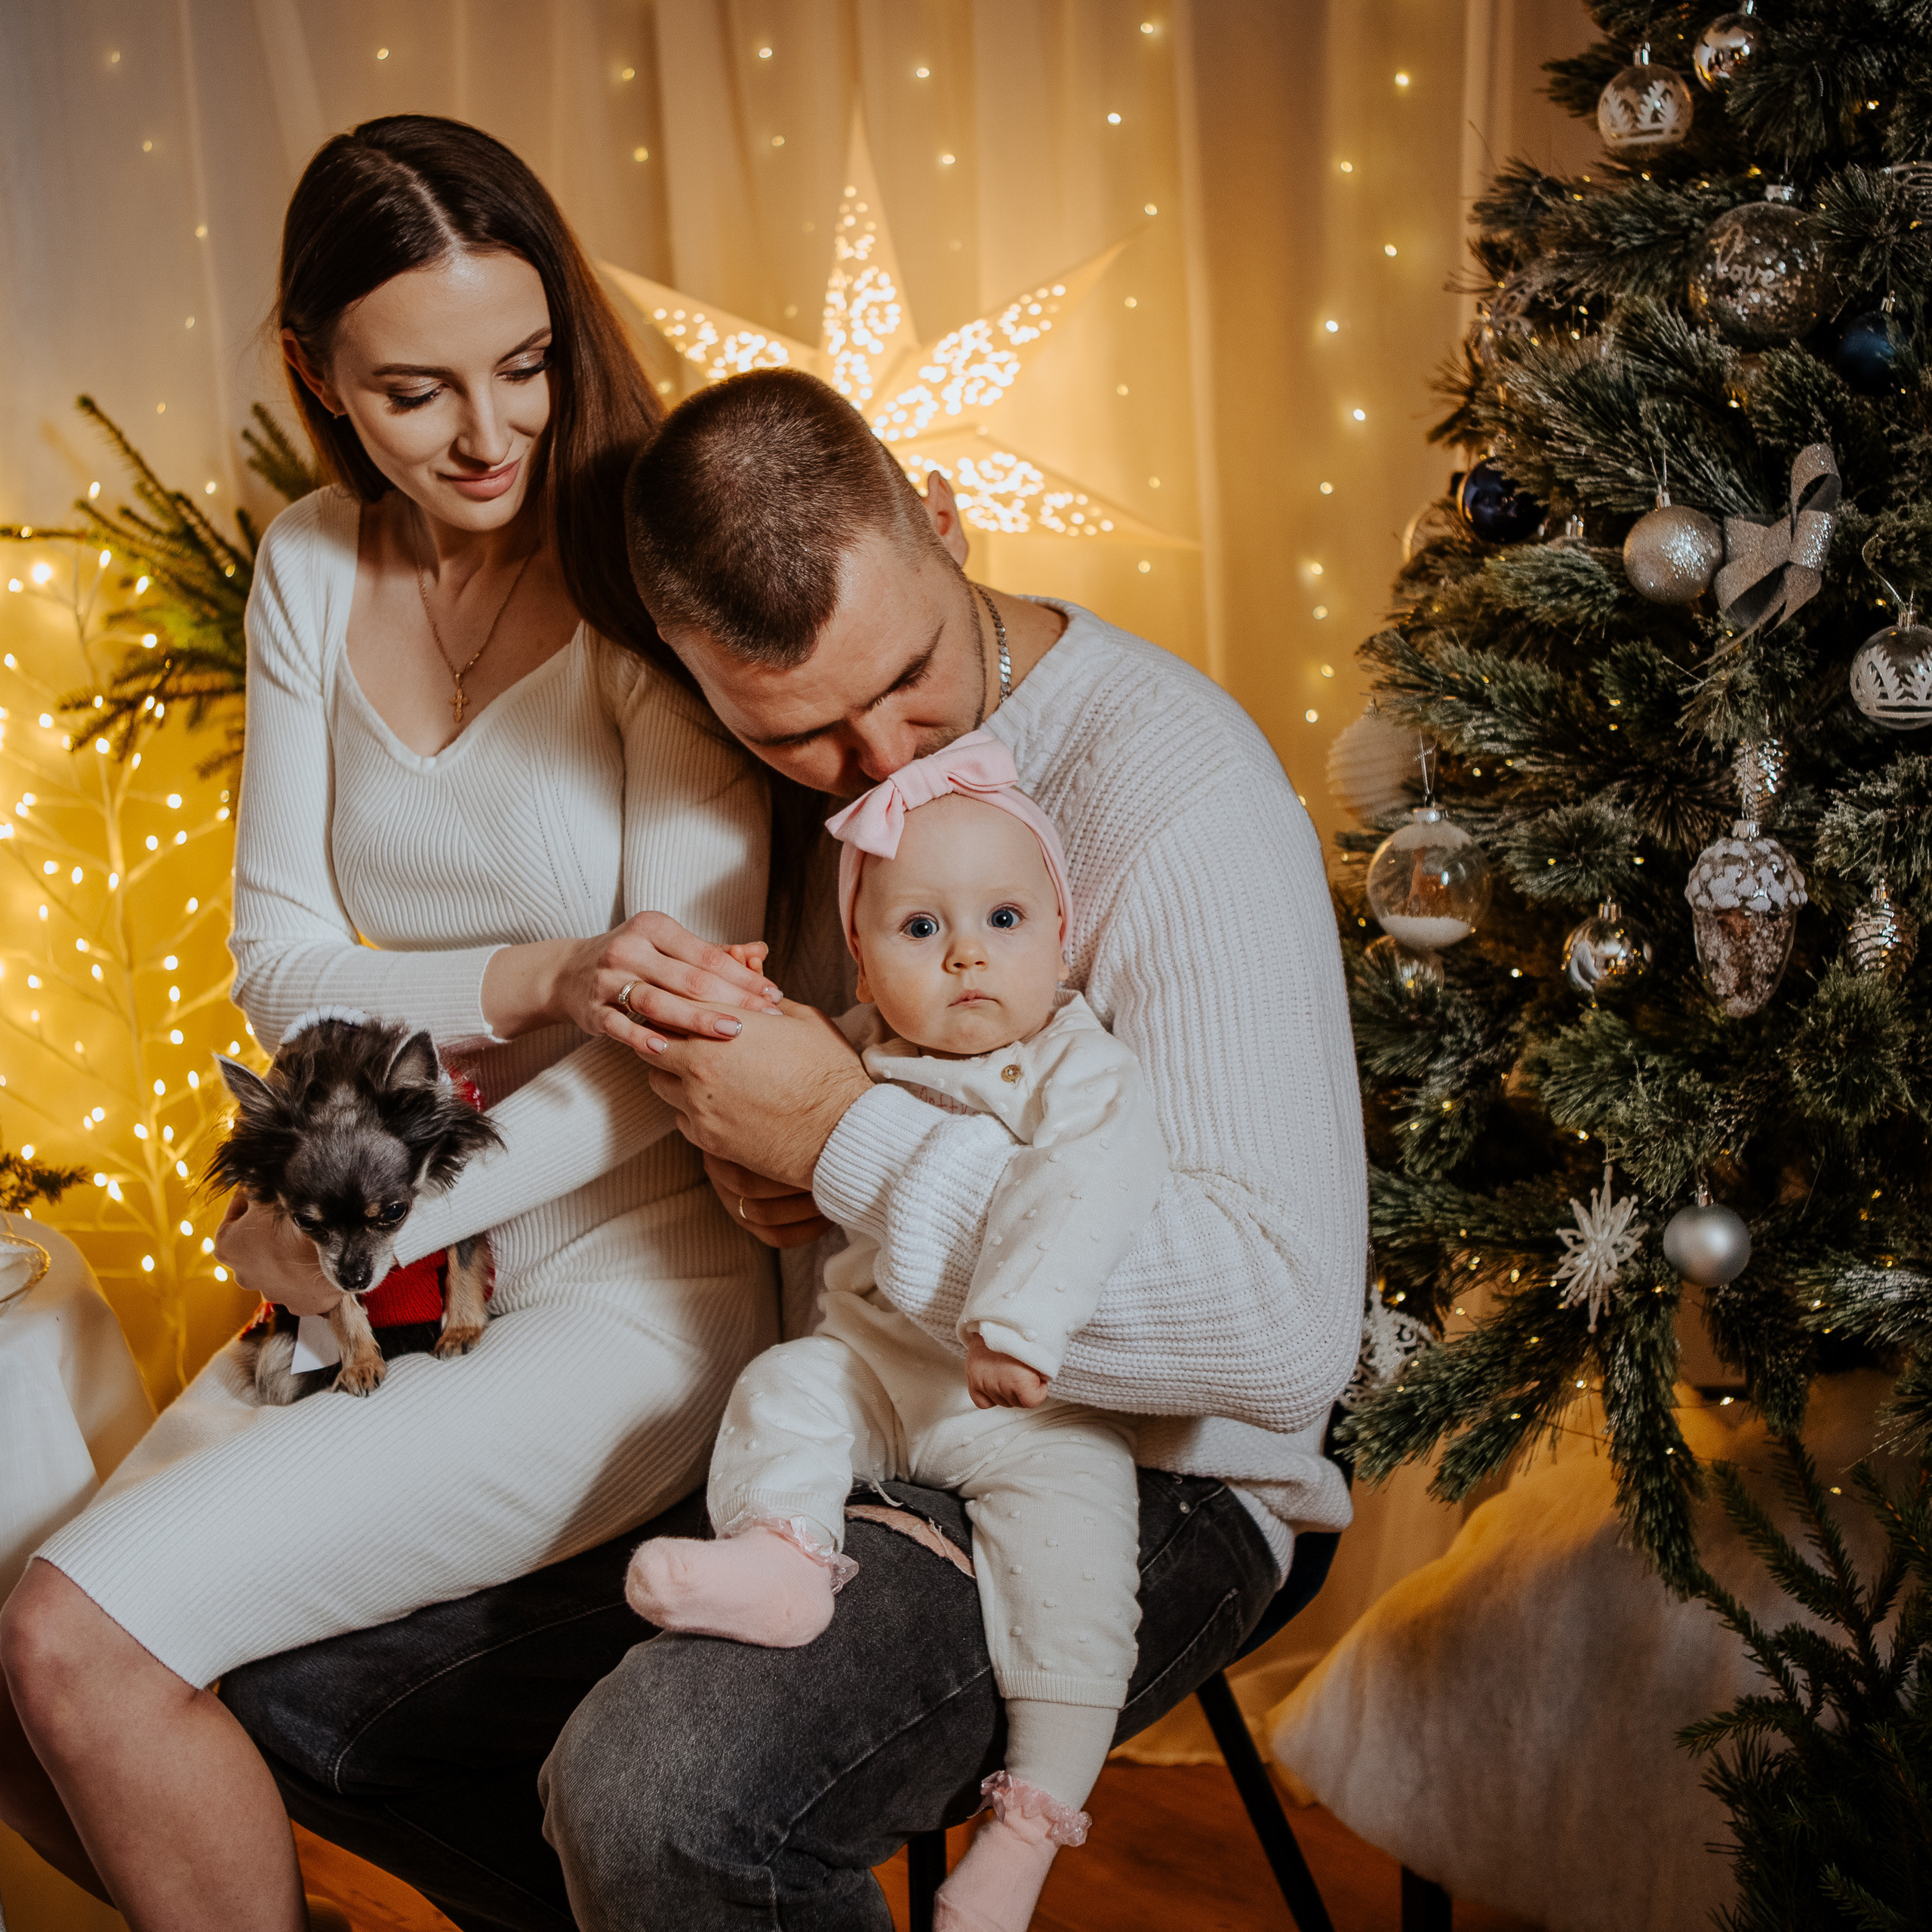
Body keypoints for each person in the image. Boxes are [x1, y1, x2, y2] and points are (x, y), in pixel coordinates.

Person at [217, 366, 1369, 1932]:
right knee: (296, 1680)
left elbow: (1281, 1337)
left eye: (907, 675)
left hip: (1147, 1456)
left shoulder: (1175, 787)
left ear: (941, 520)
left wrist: (836, 1137)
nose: (883, 757)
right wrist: (753, 1171)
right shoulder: (754, 798)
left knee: (660, 1795)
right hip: (835, 1403)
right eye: (804, 732)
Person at [0, 116, 791, 1932]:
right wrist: (540, 973)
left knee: (72, 1639)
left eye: (524, 363)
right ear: (315, 375)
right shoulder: (307, 562)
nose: (489, 432)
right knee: (15, 1666)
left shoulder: (642, 574)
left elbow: (679, 1045)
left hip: (627, 1295)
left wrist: (359, 1221)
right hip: (391, 1277)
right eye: (416, 391)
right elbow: (280, 966)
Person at [630, 735, 1170, 1932]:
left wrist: (1019, 1323)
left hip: (1033, 1410)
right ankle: (783, 1559)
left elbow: (1087, 1189)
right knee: (785, 1388)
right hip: (878, 1371)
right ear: (867, 966)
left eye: (1004, 919)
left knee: (1077, 1582)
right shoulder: (863, 1049)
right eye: (921, 928)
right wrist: (742, 1009)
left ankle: (1024, 1836)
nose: (967, 952)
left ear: (1063, 938)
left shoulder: (1079, 1069)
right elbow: (768, 1078)